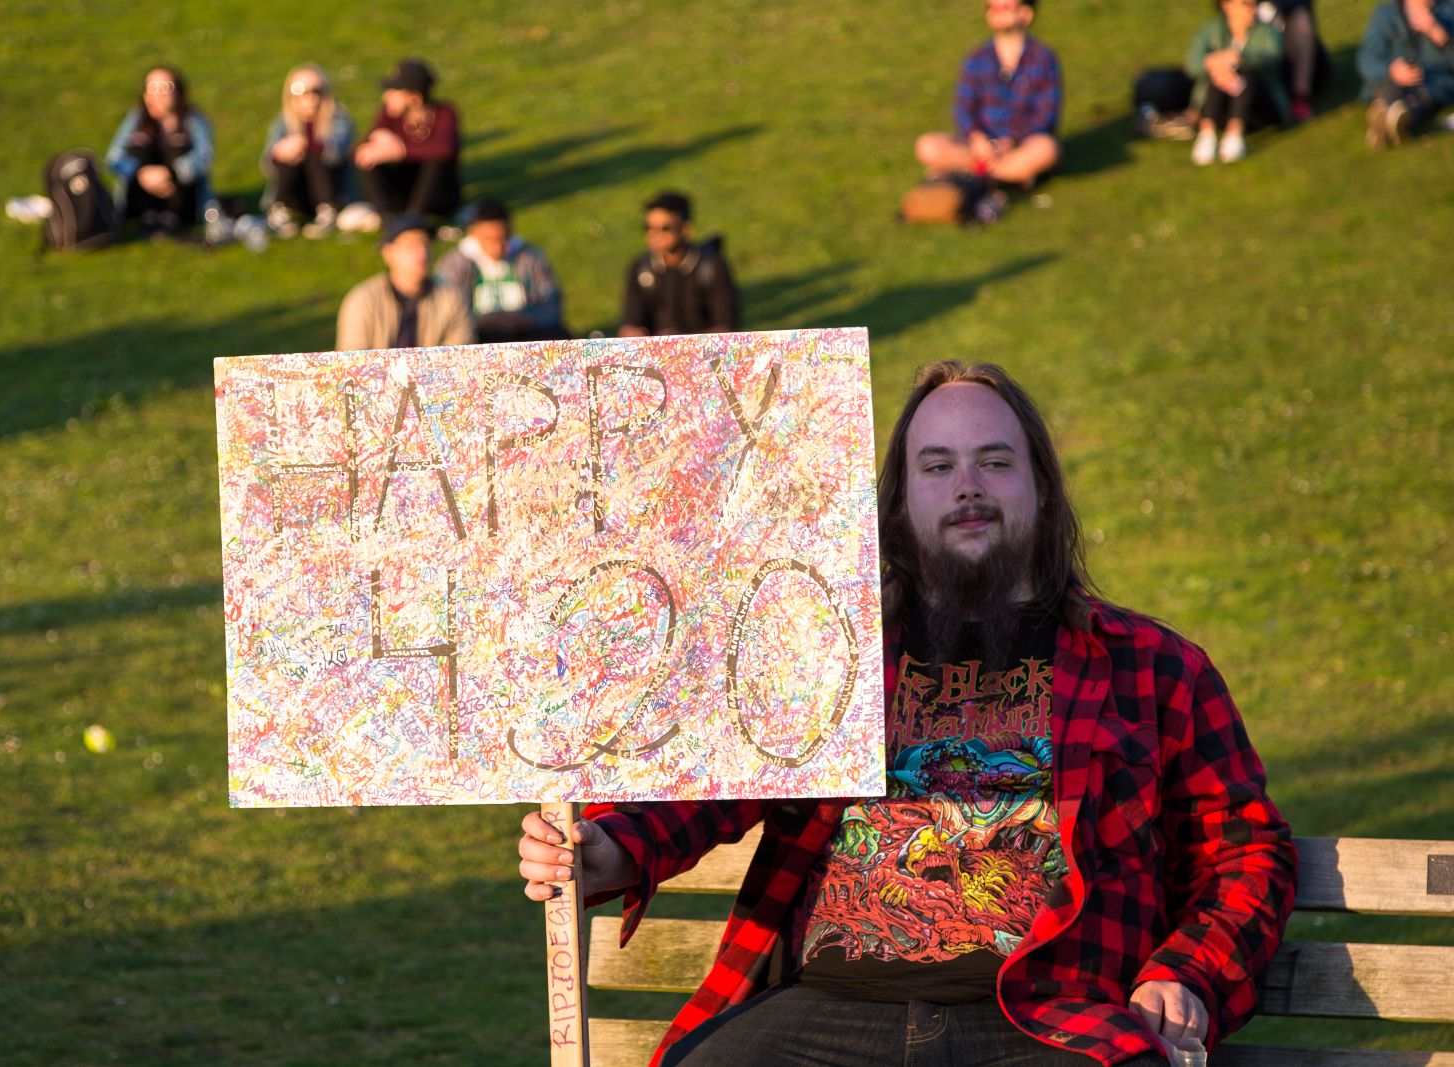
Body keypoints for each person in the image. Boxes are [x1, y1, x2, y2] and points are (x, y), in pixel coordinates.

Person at [518, 361, 1297, 1067]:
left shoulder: (1153, 667)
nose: (969, 485)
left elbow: (1247, 852)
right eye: (938, 466)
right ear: (895, 502)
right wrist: (607, 846)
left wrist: (1186, 971)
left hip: (1045, 1020)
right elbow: (712, 784)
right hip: (824, 1013)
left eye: (995, 461)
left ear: (1043, 491)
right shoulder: (828, 658)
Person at [914, 0, 1062, 188]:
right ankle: (1010, 175)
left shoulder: (1043, 58)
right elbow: (963, 108)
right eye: (992, 8)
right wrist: (977, 138)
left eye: (1005, 8)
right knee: (928, 146)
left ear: (1026, 14)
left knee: (1046, 149)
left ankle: (976, 175)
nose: (997, 13)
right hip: (980, 148)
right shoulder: (977, 57)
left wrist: (1010, 142)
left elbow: (1045, 115)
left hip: (1021, 145)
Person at [433, 198, 569, 343]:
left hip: (526, 333)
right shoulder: (455, 265)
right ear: (473, 232)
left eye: (503, 239)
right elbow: (443, 311)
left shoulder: (530, 258)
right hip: (477, 337)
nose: (497, 248)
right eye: (489, 239)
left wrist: (528, 319)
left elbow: (551, 302)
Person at [336, 214, 475, 351]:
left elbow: (460, 359)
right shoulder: (363, 300)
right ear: (388, 252)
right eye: (412, 245)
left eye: (426, 244)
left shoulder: (452, 298)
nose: (422, 252)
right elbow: (352, 363)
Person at [104, 65, 214, 235]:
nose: (157, 95)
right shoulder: (137, 120)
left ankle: (172, 215)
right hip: (138, 196)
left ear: (178, 92)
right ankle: (146, 215)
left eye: (165, 88)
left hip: (184, 200)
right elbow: (114, 158)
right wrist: (142, 173)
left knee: (178, 146)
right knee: (137, 148)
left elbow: (204, 157)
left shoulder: (193, 120)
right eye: (151, 88)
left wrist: (170, 172)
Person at [353, 59, 463, 225]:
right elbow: (360, 151)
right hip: (403, 193)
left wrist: (402, 150)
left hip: (438, 196)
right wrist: (378, 138)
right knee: (369, 157)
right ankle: (387, 218)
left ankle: (415, 217)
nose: (386, 97)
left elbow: (445, 148)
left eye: (394, 92)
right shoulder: (389, 115)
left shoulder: (445, 113)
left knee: (436, 160)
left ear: (414, 98)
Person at [618, 192, 739, 338]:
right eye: (649, 228)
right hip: (655, 356)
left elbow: (726, 328)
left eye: (665, 228)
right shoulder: (640, 269)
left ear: (685, 229)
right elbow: (630, 324)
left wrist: (680, 345)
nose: (654, 235)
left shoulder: (712, 267)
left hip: (704, 355)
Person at [1188, 0, 1291, 165]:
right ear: (1227, 5)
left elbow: (1273, 57)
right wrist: (1217, 62)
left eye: (1253, 4)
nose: (1252, 9)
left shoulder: (1266, 30)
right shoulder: (1212, 30)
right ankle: (1207, 134)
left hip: (1260, 107)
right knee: (1220, 73)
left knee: (1244, 73)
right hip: (1224, 104)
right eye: (1245, 3)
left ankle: (1234, 134)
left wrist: (1239, 59)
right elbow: (1193, 65)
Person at [261, 63, 354, 240]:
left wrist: (306, 143)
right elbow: (267, 164)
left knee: (313, 155)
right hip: (296, 193)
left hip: (329, 191)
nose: (310, 97)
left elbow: (336, 153)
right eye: (300, 91)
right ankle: (280, 211)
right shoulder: (282, 123)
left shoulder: (339, 119)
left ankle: (327, 211)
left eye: (316, 90)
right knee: (288, 154)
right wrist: (280, 151)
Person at [1358, 0, 1454, 148]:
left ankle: (1389, 117)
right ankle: (1391, 116)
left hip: (1433, 82)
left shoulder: (1448, 11)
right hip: (1392, 82)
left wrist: (1440, 36)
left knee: (1424, 94)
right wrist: (1390, 70)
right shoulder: (1386, 15)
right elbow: (1368, 58)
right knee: (1389, 87)